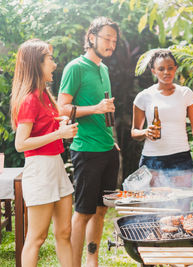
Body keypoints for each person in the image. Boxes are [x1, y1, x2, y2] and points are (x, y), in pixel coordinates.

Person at [57, 17, 120, 267]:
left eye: (114, 40)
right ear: (91, 37)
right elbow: (62, 108)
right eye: (107, 38)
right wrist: (94, 108)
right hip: (86, 150)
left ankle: (92, 261)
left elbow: (105, 113)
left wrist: (112, 139)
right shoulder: (75, 67)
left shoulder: (103, 69)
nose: (111, 44)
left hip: (107, 149)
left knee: (101, 209)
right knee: (83, 212)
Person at [11, 39, 78, 267]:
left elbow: (47, 127)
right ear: (36, 63)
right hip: (39, 170)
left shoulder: (46, 97)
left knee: (64, 232)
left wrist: (62, 123)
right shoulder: (29, 99)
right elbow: (21, 144)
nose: (54, 64)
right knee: (37, 238)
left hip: (56, 167)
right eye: (50, 58)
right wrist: (59, 134)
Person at [131, 49, 193, 189]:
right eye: (161, 69)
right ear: (153, 71)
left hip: (180, 158)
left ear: (175, 68)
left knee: (181, 206)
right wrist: (145, 132)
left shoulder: (185, 93)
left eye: (170, 68)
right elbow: (134, 132)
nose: (166, 72)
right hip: (152, 160)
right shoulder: (144, 96)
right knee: (153, 207)